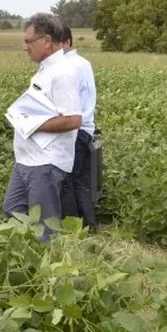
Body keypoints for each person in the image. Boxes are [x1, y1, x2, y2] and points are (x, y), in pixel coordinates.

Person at [4, 13, 82, 241]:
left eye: (29, 41)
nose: (25, 47)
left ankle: (46, 271)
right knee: (13, 210)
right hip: (27, 159)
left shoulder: (63, 73)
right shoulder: (47, 69)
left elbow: (73, 119)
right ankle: (24, 259)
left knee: (43, 228)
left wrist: (33, 123)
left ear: (47, 41)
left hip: (45, 162)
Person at [58, 25, 99, 231]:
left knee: (67, 180)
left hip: (74, 129)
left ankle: (73, 227)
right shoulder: (84, 63)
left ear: (67, 42)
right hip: (87, 128)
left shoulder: (67, 67)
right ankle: (90, 225)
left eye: (59, 44)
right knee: (81, 181)